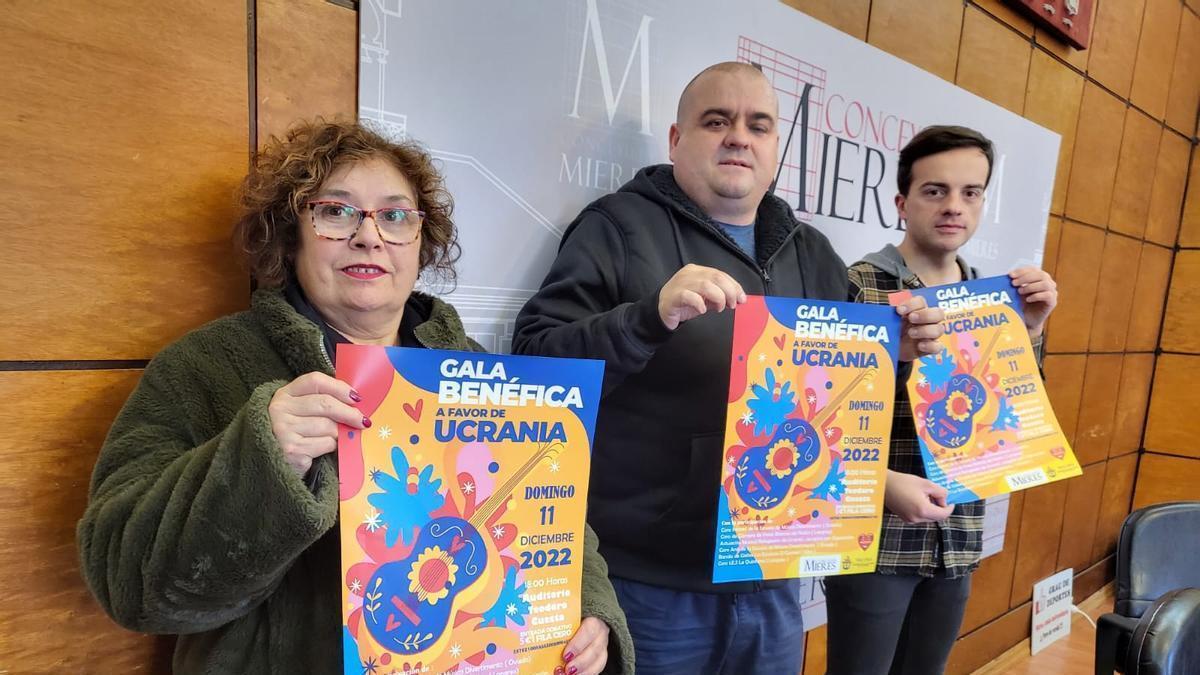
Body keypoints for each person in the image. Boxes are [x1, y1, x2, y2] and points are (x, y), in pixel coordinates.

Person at [76, 120, 634, 675]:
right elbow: (127, 583)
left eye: (395, 216)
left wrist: (586, 610)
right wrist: (262, 459)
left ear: (420, 241)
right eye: (335, 211)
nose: (369, 236)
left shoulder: (475, 367)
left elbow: (551, 516)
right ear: (290, 233)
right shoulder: (204, 367)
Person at [512, 62, 945, 674]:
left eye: (758, 125)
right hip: (653, 586)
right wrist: (647, 318)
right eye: (717, 120)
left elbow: (837, 409)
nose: (738, 136)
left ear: (774, 151)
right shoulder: (616, 227)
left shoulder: (814, 253)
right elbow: (535, 366)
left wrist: (891, 356)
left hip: (776, 577)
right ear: (676, 140)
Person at [826, 125, 1059, 675]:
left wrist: (1031, 331)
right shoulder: (859, 285)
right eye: (935, 191)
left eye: (970, 192)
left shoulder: (995, 296)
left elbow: (1015, 417)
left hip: (958, 535)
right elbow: (824, 414)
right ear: (902, 202)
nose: (954, 206)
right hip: (876, 540)